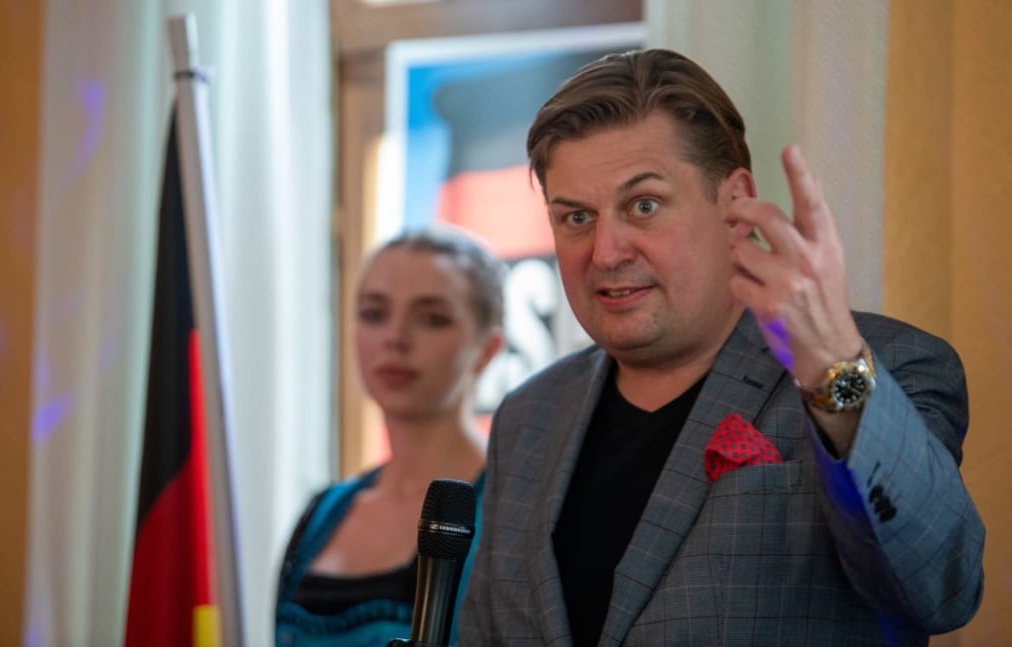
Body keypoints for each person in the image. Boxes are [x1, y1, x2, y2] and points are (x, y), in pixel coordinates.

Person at [458, 49, 985, 645]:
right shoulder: (528, 417)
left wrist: (834, 368)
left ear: (734, 206)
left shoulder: (886, 363)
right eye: (576, 217)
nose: (605, 252)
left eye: (644, 205)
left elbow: (942, 586)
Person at [275, 227, 506, 646]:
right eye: (374, 313)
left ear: (487, 349)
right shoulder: (325, 510)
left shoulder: (515, 510)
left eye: (432, 318)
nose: (395, 338)